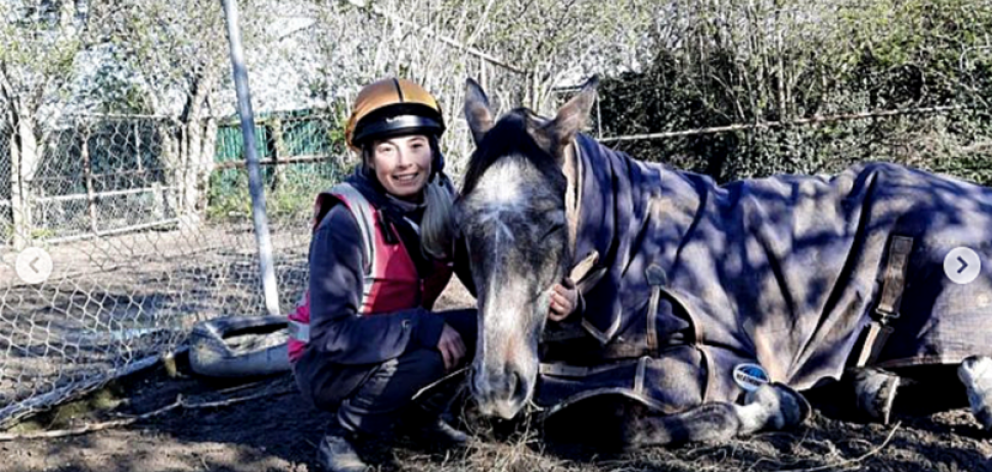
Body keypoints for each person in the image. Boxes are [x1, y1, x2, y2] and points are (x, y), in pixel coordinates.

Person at [287, 77, 579, 472]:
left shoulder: (440, 203)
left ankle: (419, 419)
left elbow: (487, 286)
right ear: (369, 158)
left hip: (389, 336)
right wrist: (421, 327)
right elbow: (331, 336)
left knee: (476, 330)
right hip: (327, 362)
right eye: (388, 149)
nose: (405, 162)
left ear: (433, 150)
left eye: (416, 146)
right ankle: (342, 437)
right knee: (429, 356)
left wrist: (547, 296)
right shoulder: (345, 223)